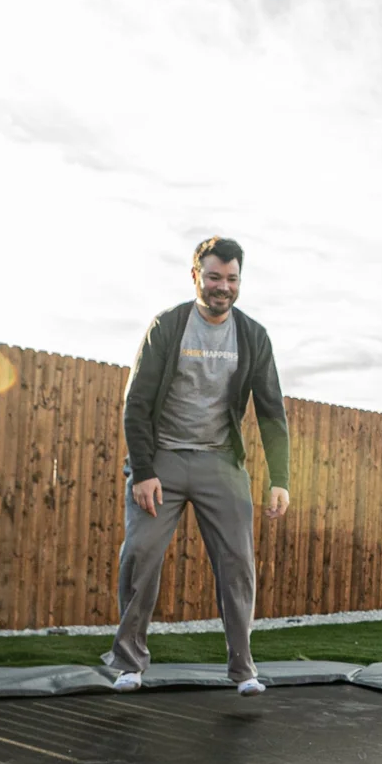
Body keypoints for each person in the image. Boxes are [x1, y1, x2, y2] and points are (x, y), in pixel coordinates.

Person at [105, 235, 291, 695]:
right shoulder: (168, 327)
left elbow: (271, 411)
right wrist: (144, 470)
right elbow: (137, 402)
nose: (221, 287)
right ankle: (130, 663)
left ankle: (243, 669)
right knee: (140, 554)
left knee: (238, 564)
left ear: (239, 282)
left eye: (231, 279)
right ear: (196, 277)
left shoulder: (252, 336)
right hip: (163, 459)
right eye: (213, 277)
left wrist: (280, 479)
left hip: (220, 461)